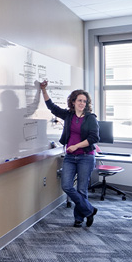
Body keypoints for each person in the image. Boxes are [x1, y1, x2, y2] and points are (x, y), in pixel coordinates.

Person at [40, 80, 100, 228]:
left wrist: (76, 146)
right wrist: (43, 90)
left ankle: (79, 218)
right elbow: (51, 107)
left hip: (86, 156)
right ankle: (89, 210)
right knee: (66, 186)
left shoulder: (90, 118)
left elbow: (94, 138)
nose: (82, 103)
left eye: (84, 101)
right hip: (70, 157)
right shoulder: (68, 116)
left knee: (81, 189)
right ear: (73, 102)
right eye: (79, 100)